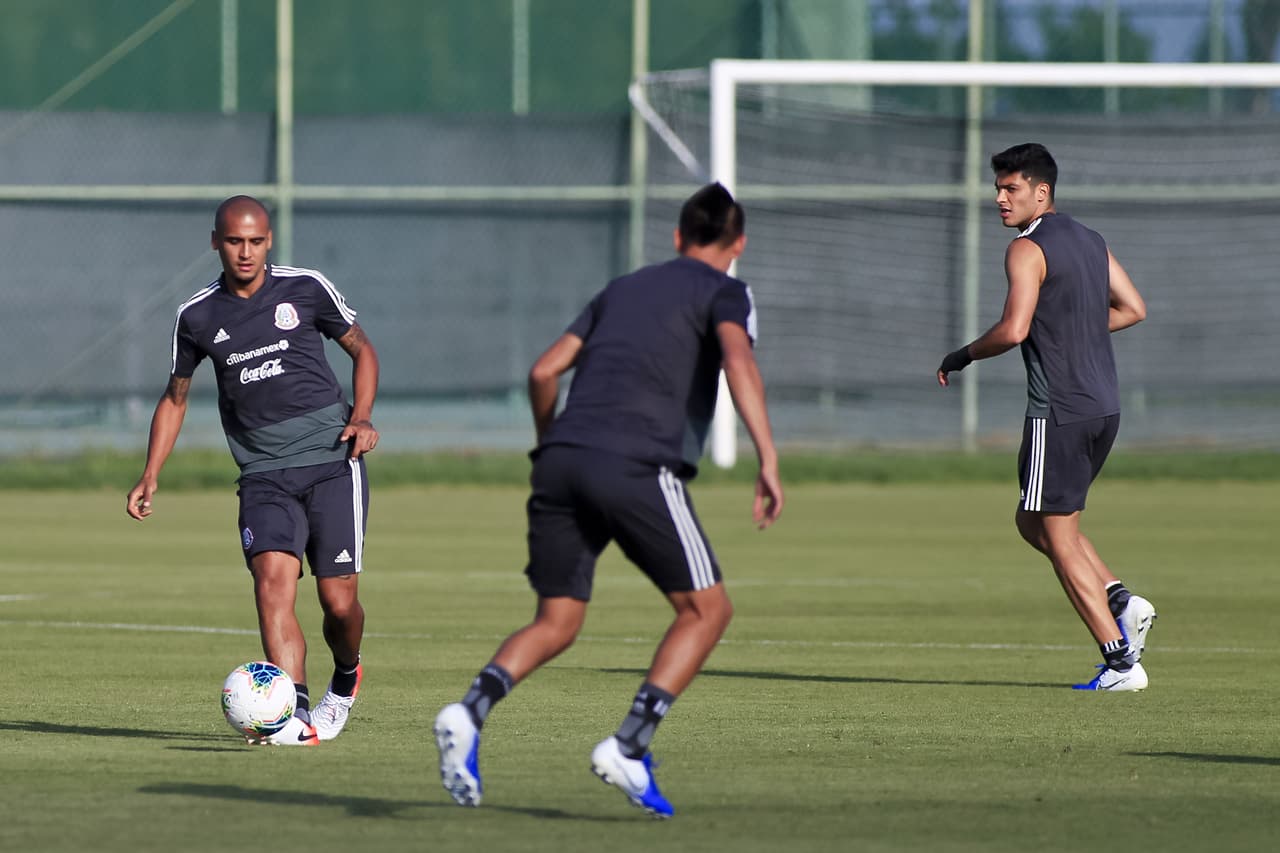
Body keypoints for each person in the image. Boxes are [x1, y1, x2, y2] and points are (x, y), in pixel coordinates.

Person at [432, 183, 783, 817]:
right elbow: (738, 361)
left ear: (677, 236)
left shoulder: (622, 288)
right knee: (707, 611)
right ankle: (629, 746)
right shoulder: (726, 291)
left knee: (557, 621)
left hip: (562, 461)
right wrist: (768, 457)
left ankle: (470, 711)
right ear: (739, 246)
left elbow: (544, 371)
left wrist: (552, 444)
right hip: (638, 465)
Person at [126, 195, 379, 743]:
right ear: (215, 242)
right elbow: (175, 398)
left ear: (269, 241)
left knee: (338, 605)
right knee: (272, 586)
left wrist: (361, 417)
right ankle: (296, 717)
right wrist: (151, 473)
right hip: (263, 475)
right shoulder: (196, 316)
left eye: (256, 241)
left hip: (333, 462)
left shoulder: (305, 288)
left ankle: (346, 676)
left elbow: (363, 351)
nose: (246, 252)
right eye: (235, 241)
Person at [937, 142, 1156, 692]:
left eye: (1011, 188)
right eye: (997, 188)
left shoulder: (1025, 248)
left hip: (1058, 411)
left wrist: (962, 355)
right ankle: (1120, 599)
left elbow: (1014, 330)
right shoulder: (1090, 239)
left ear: (1042, 192)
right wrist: (1070, 329)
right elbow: (1133, 308)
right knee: (1034, 522)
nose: (1000, 198)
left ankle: (1121, 664)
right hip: (1104, 408)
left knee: (1057, 537)